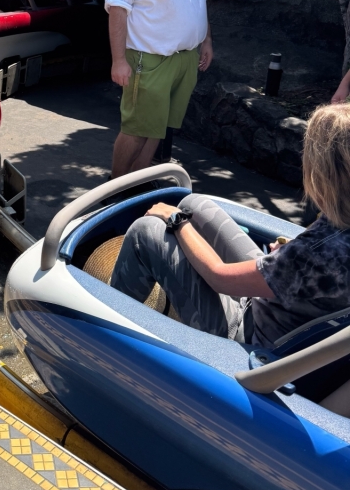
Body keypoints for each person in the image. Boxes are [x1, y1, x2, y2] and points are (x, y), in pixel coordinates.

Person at [111, 103, 350, 346]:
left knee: (146, 232)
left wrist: (177, 221)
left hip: (246, 337)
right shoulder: (335, 233)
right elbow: (313, 268)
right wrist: (287, 253)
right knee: (194, 205)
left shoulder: (311, 254)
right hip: (275, 306)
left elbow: (219, 278)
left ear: (324, 173)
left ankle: (107, 330)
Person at [105, 0, 213, 179]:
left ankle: (135, 186)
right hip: (148, 58)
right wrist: (118, 61)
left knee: (159, 125)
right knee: (137, 130)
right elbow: (117, 7)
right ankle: (112, 191)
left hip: (186, 57)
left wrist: (206, 41)